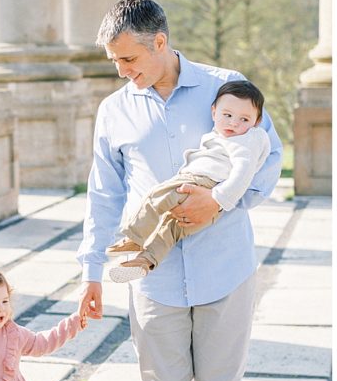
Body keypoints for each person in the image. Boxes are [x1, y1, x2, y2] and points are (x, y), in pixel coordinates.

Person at [77, 0, 282, 381]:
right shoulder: (115, 109)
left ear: (160, 43)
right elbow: (105, 193)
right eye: (116, 62)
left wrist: (220, 205)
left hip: (225, 268)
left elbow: (269, 158)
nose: (122, 71)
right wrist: (92, 270)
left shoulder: (227, 89)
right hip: (152, 274)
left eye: (128, 59)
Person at [108, 80, 270, 282]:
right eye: (227, 115)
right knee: (171, 231)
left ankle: (135, 236)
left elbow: (243, 172)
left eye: (244, 119)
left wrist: (218, 199)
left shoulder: (247, 140)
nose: (234, 123)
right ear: (214, 112)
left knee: (155, 197)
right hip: (210, 208)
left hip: (201, 183)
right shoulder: (230, 135)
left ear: (257, 121)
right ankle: (144, 262)